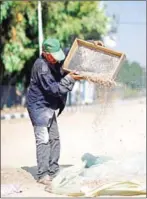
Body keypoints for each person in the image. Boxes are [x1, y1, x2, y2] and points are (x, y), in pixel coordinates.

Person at [26, 38, 84, 185]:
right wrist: (70, 78)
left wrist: (93, 43)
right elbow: (54, 89)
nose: (57, 59)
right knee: (43, 140)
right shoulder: (41, 67)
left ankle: (53, 170)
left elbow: (73, 50)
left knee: (55, 139)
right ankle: (43, 174)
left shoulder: (56, 58)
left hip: (50, 106)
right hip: (38, 107)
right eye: (53, 56)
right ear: (45, 54)